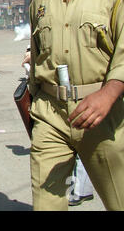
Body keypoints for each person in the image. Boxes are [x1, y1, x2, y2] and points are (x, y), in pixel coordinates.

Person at [29, 0, 124, 211]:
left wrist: (109, 93)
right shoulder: (39, 3)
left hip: (103, 118)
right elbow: (35, 64)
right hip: (51, 118)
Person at [22, 44, 95, 207]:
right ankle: (81, 190)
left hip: (94, 102)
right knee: (46, 196)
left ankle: (82, 189)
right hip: (51, 106)